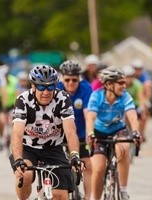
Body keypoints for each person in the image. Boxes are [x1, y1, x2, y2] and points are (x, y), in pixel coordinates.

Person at [9, 65, 82, 200]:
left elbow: (70, 130)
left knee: (61, 196)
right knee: (26, 176)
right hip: (28, 147)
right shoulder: (23, 100)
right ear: (33, 86)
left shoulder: (63, 98)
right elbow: (17, 133)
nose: (46, 92)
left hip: (53, 147)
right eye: (41, 87)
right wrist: (18, 159)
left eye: (50, 87)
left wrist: (74, 155)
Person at [86, 67, 140, 200]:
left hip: (118, 130)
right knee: (98, 169)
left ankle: (123, 189)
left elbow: (132, 116)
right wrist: (90, 133)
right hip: (99, 133)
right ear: (109, 84)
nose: (124, 85)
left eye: (124, 82)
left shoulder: (125, 96)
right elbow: (90, 117)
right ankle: (95, 198)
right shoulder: (96, 96)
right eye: (120, 83)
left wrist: (135, 132)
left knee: (123, 149)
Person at [56, 60, 93, 200]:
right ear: (62, 78)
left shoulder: (86, 88)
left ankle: (88, 197)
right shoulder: (56, 88)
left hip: (81, 133)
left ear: (79, 78)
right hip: (60, 134)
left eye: (74, 80)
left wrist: (90, 133)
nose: (70, 83)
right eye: (67, 80)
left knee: (87, 164)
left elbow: (88, 113)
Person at [131, 58, 152, 141]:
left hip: (141, 98)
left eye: (139, 69)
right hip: (131, 99)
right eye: (136, 69)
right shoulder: (129, 75)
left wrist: (146, 101)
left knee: (145, 112)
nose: (137, 71)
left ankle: (142, 132)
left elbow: (147, 88)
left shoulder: (144, 76)